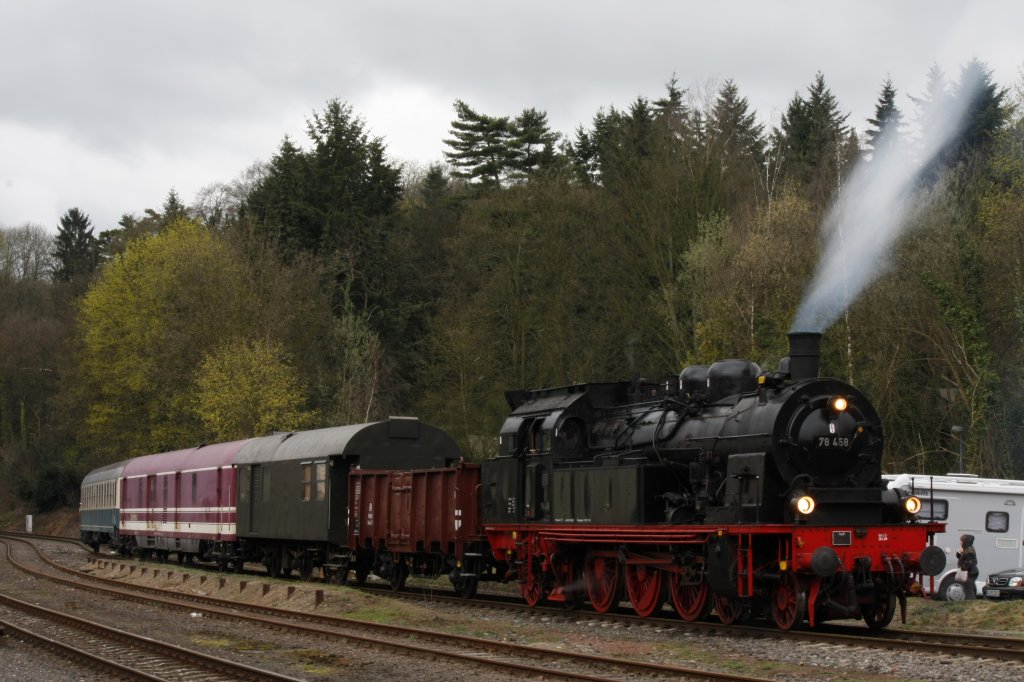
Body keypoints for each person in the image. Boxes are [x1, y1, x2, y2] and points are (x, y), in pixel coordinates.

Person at [956, 534, 980, 599]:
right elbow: (959, 557)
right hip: (969, 572)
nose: (960, 542)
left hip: (971, 572)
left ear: (965, 541)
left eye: (961, 541)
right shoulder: (966, 549)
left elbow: (969, 562)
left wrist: (962, 568)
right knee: (967, 589)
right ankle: (969, 603)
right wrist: (959, 551)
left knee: (969, 590)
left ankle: (971, 604)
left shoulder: (969, 550)